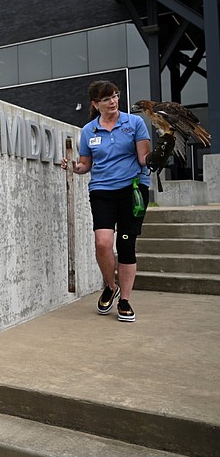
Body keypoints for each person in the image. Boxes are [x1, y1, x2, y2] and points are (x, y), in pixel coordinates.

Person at [60, 80, 151, 322]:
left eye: (115, 96)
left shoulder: (134, 123)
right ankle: (111, 286)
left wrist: (158, 154)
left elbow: (144, 159)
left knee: (125, 245)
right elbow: (85, 165)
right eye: (106, 99)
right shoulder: (89, 130)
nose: (113, 102)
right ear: (95, 104)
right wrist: (72, 167)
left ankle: (125, 301)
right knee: (102, 242)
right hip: (101, 190)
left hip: (133, 189)